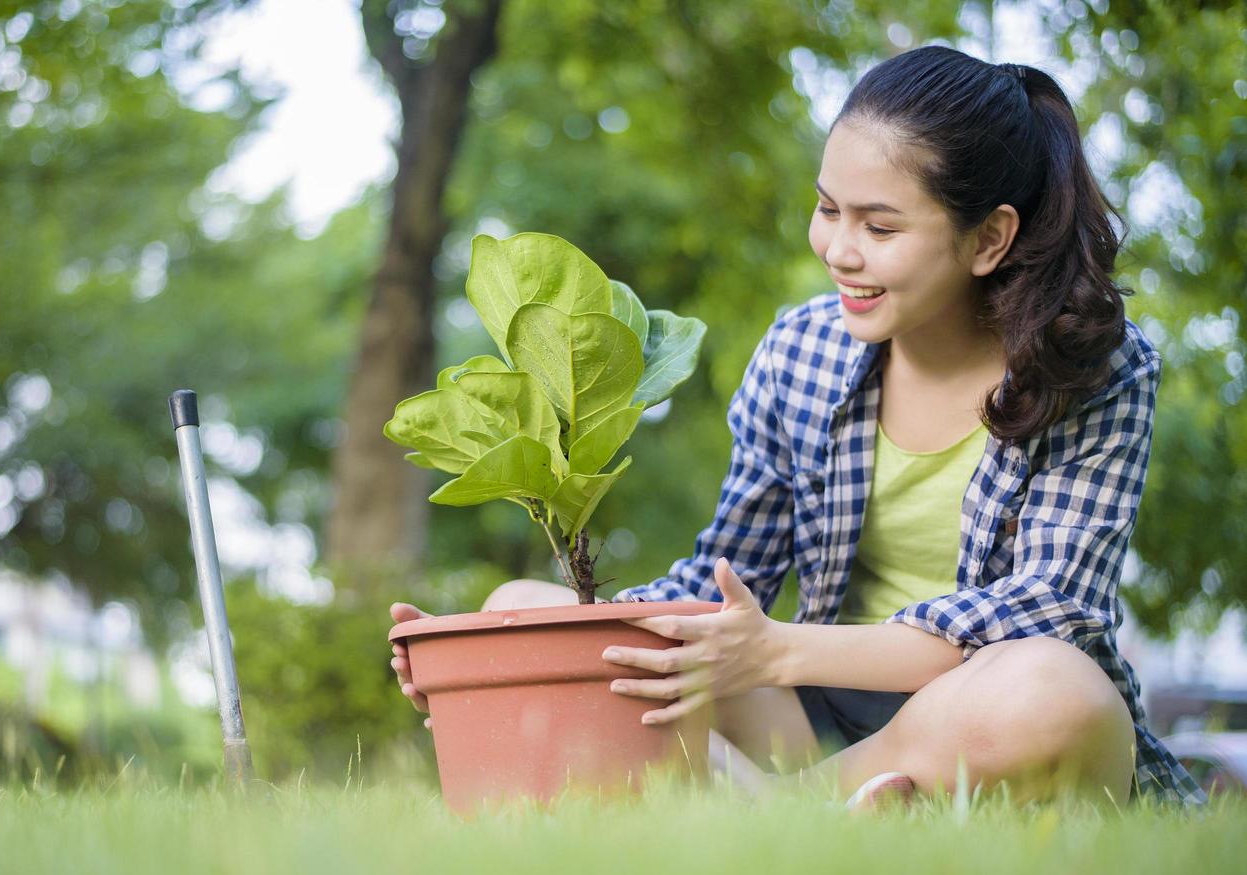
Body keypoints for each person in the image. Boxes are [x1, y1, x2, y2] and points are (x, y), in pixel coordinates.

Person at [389, 45, 1205, 807]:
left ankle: (770, 811)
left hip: (985, 716)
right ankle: (829, 807)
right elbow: (724, 581)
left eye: (879, 228)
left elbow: (1048, 610)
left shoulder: (1097, 368)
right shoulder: (801, 351)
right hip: (808, 720)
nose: (838, 250)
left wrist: (782, 650)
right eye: (827, 210)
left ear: (989, 237)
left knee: (1056, 692)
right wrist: (480, 654)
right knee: (517, 606)